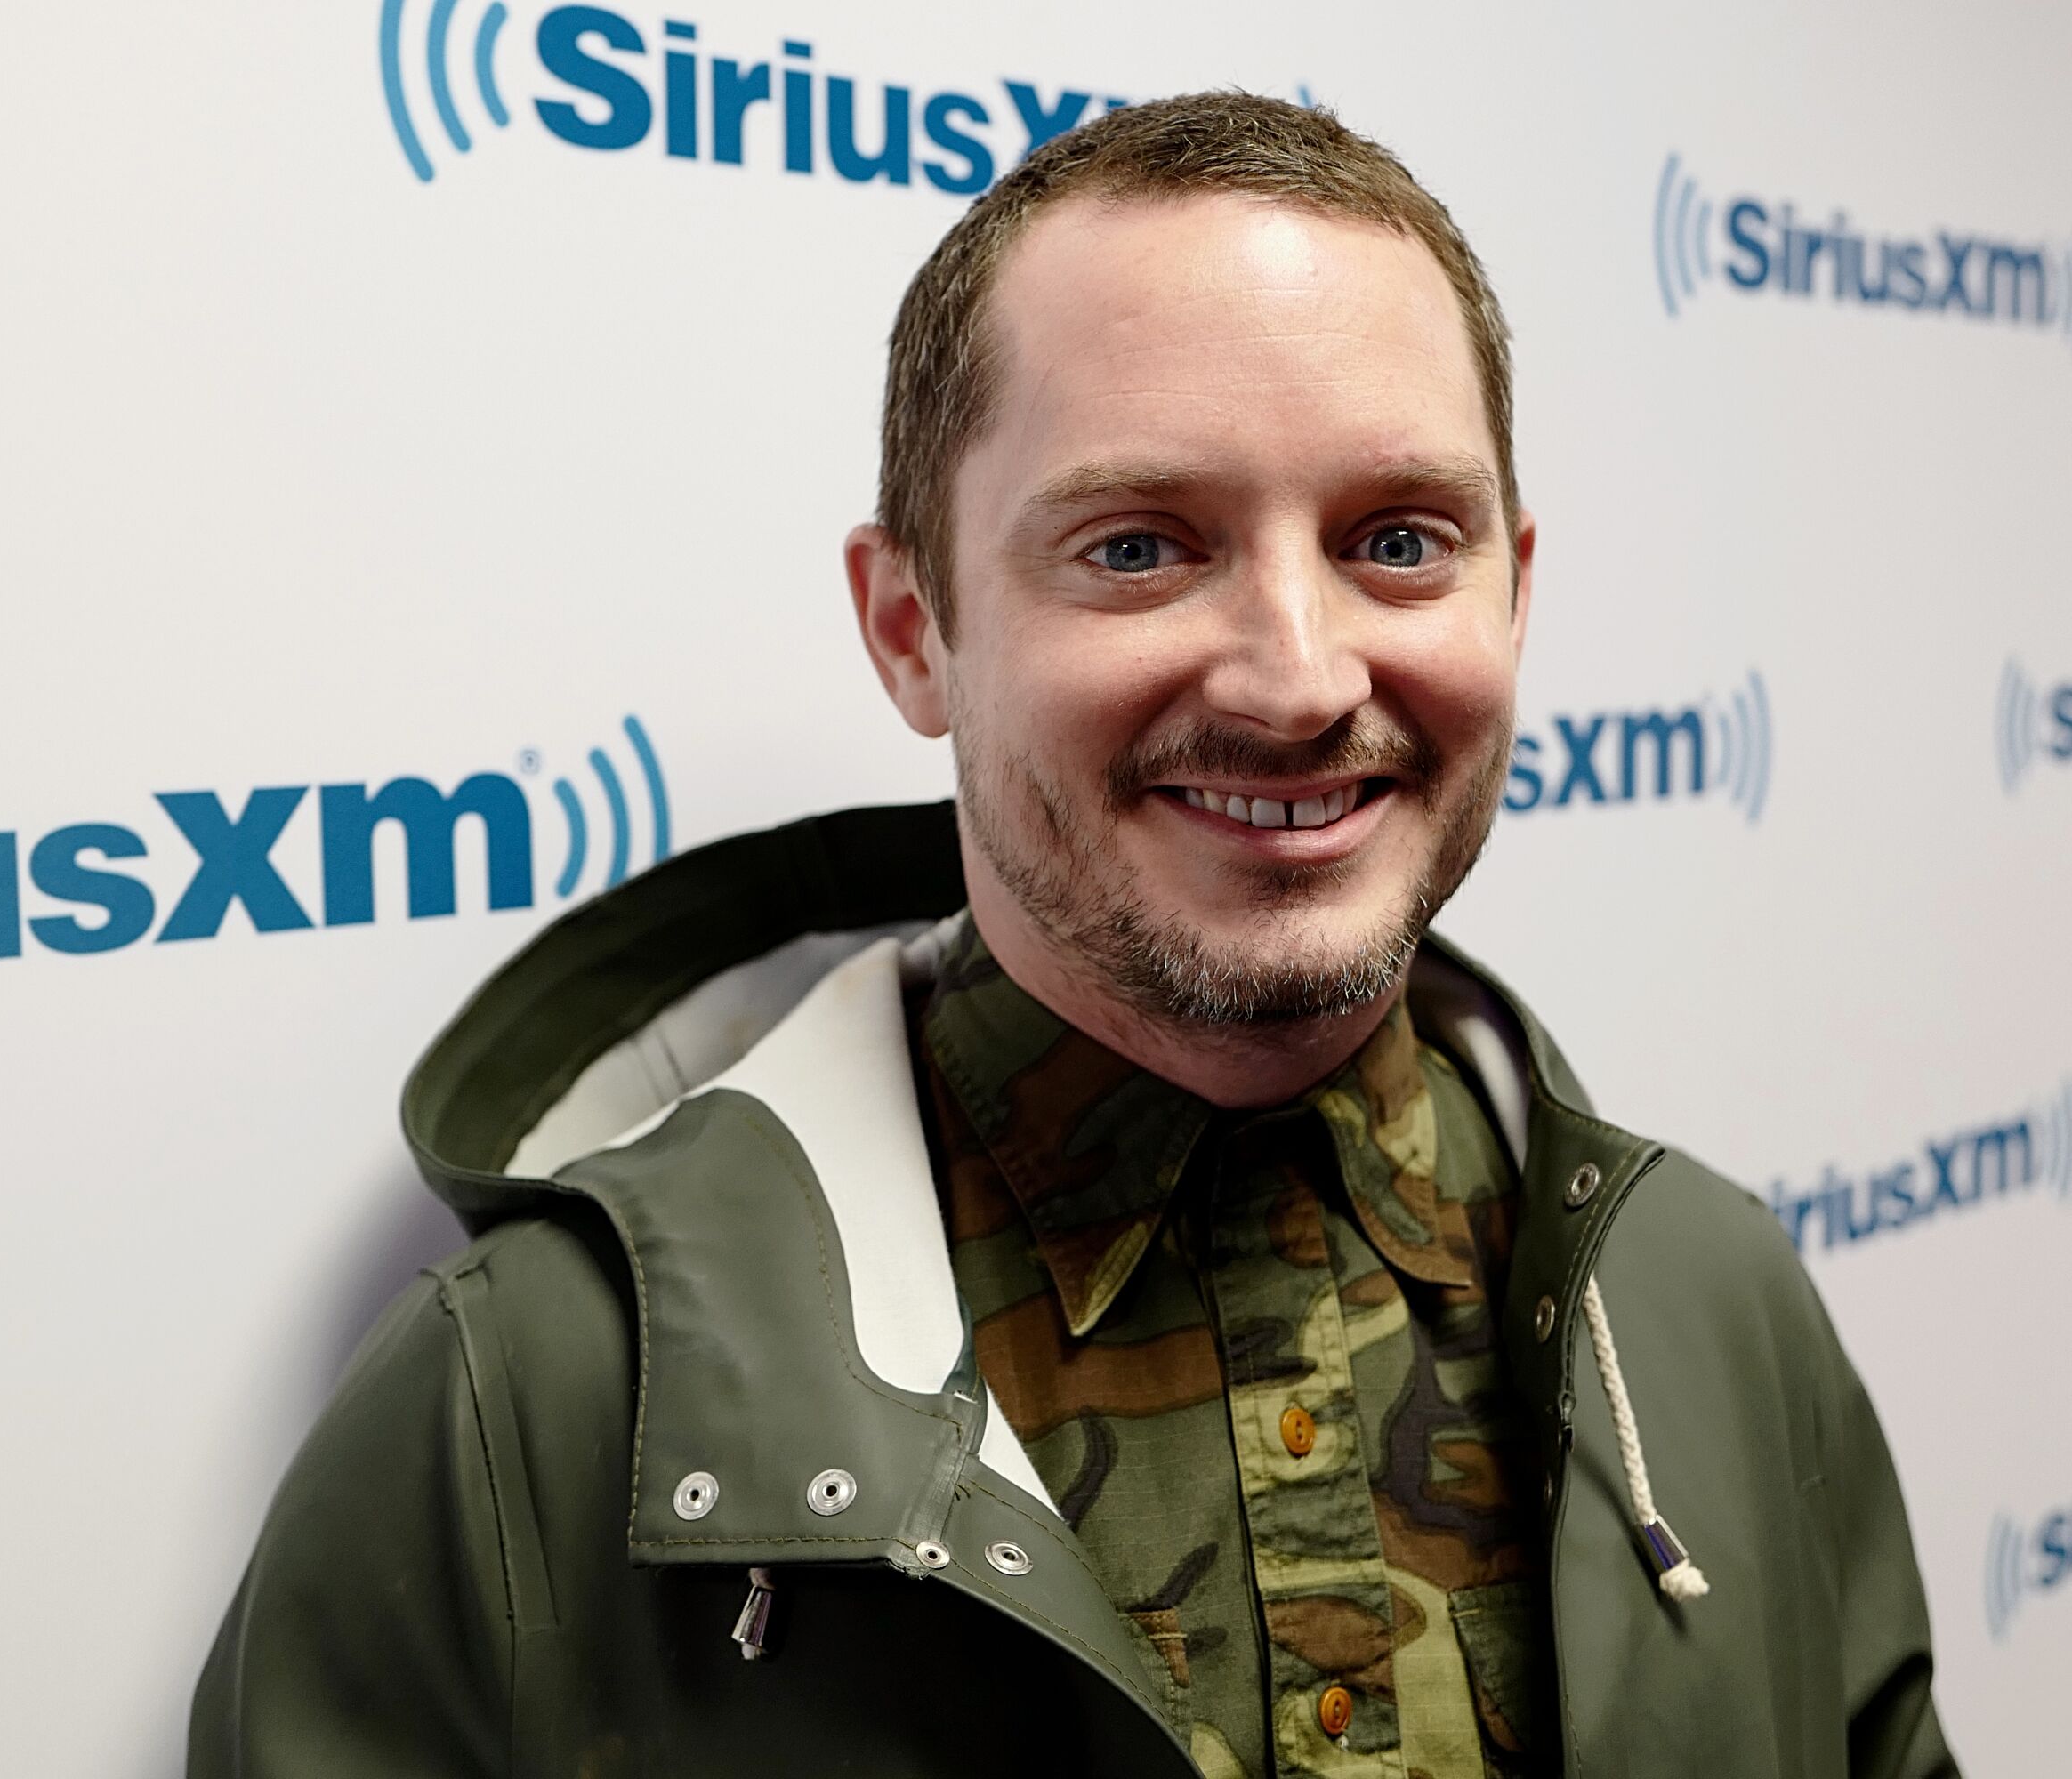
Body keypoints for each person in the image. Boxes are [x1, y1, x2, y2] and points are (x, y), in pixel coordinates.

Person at [190, 92, 1957, 1778]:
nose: (1299, 676)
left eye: (1399, 539)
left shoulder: (1714, 1303)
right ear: (910, 628)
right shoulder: (531, 1408)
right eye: (1138, 547)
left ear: (1516, 588)